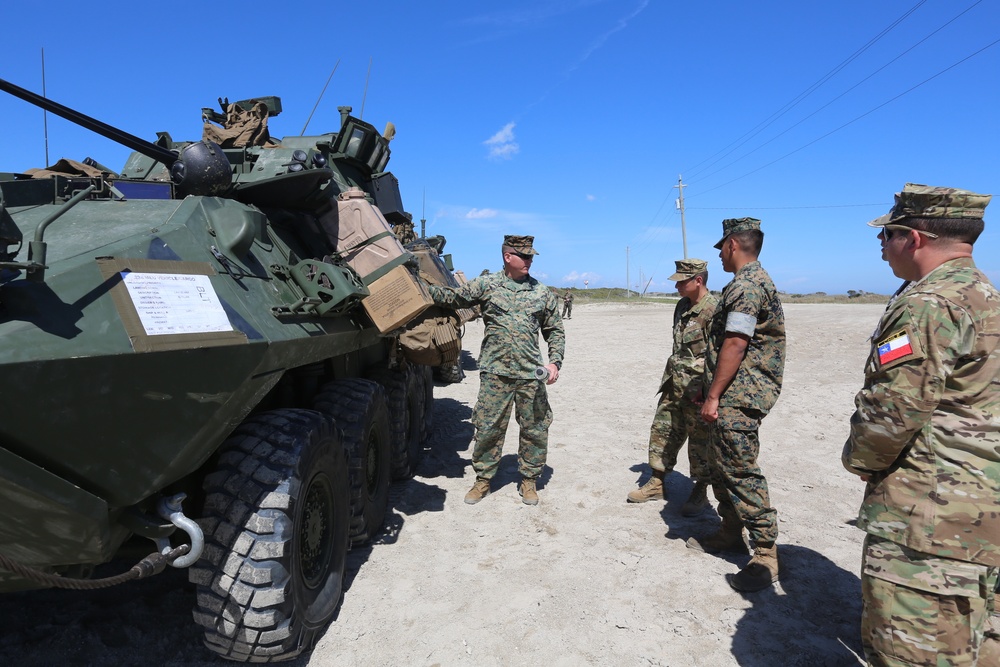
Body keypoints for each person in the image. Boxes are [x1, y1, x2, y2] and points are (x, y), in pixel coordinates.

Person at [841, 184, 1000, 666]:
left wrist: (859, 461)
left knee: (914, 651)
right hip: (980, 509)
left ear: (912, 237)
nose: (882, 248)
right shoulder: (983, 293)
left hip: (930, 518)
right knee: (973, 643)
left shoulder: (929, 304)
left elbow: (892, 413)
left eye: (885, 236)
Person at [685, 217, 785, 594]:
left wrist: (714, 395)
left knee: (740, 469)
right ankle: (730, 531)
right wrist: (708, 388)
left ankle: (766, 552)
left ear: (731, 244)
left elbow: (736, 345)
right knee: (721, 465)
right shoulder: (743, 283)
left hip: (740, 397)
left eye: (721, 249)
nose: (720, 257)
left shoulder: (748, 285)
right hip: (729, 392)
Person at [427, 235, 565, 506]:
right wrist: (419, 287)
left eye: (531, 257)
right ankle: (483, 479)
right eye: (524, 256)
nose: (529, 261)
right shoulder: (487, 285)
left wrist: (554, 362)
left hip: (529, 374)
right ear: (507, 257)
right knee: (489, 427)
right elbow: (454, 298)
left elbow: (555, 330)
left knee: (535, 429)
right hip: (495, 373)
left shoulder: (542, 292)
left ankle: (529, 480)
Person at [626, 258, 718, 517]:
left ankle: (700, 490)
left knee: (700, 442)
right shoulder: (681, 306)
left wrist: (710, 392)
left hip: (699, 389)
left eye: (682, 281)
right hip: (674, 384)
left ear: (698, 281)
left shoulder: (714, 310)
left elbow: (718, 355)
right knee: (662, 432)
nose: (676, 286)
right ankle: (656, 482)